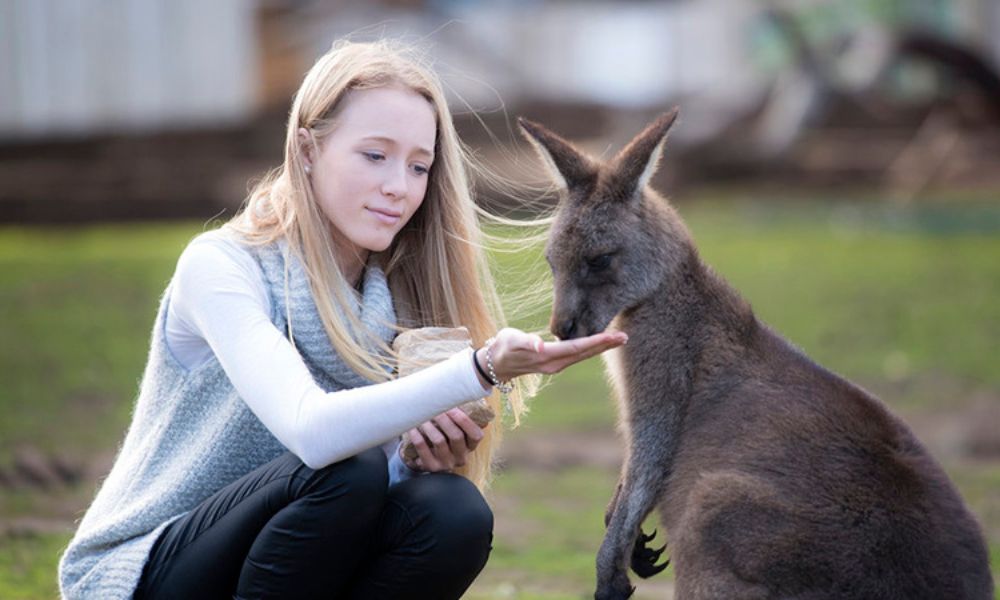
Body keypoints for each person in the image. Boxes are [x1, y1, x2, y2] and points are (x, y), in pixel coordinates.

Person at [58, 39, 627, 600]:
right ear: (307, 150)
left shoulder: (399, 301)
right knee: (344, 470)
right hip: (146, 572)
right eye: (374, 155)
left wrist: (412, 460)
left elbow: (342, 507)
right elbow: (314, 433)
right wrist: (478, 369)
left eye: (418, 166)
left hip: (280, 562)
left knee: (451, 513)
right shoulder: (222, 268)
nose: (397, 187)